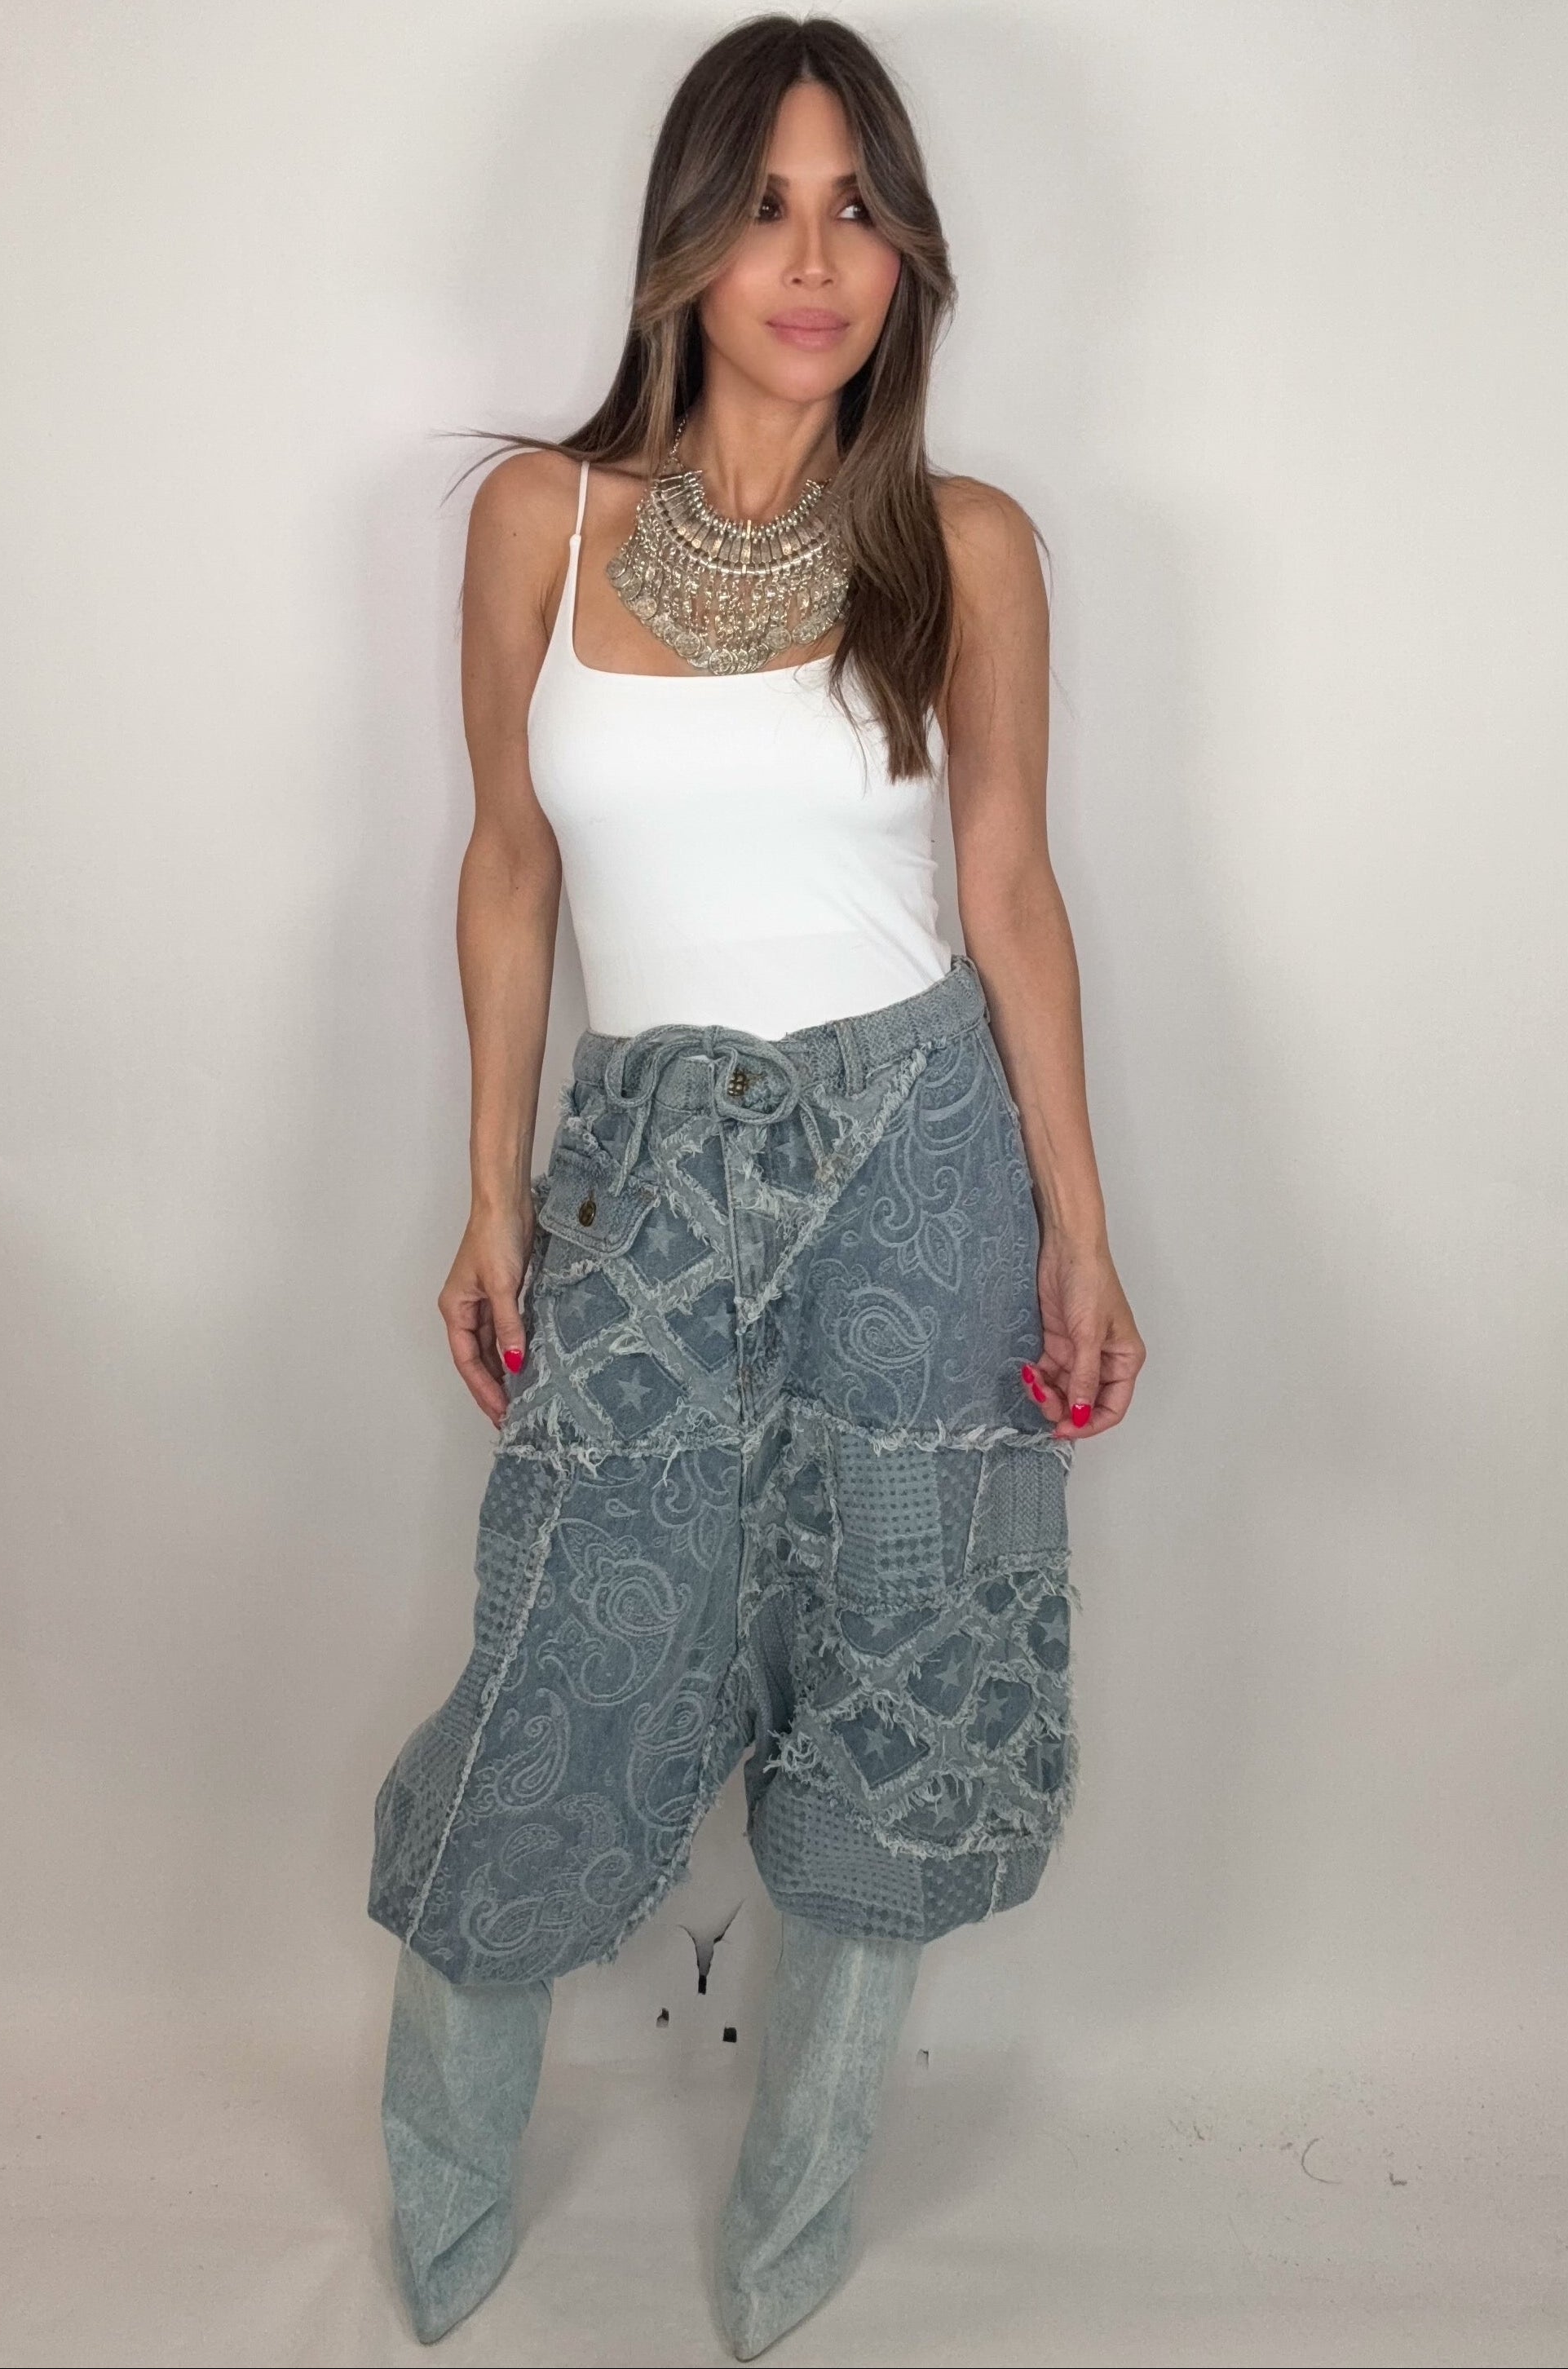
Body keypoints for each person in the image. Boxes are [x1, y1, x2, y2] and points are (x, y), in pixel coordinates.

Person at [366, 13, 1145, 2356]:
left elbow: (1007, 892)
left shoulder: (966, 546)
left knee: (899, 1668)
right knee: (565, 1656)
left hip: (921, 1168)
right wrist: (492, 1188)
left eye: (858, 211)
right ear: (684, 246)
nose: (814, 263)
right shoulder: (540, 520)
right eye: (767, 209)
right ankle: (439, 2200)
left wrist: (1080, 1223)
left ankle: (796, 2218)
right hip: (647, 1180)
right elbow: (510, 868)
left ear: (907, 255)